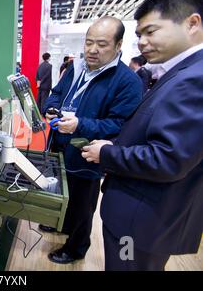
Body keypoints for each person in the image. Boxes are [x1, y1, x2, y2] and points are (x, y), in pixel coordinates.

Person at [81, 0, 203, 271]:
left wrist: (107, 153)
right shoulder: (177, 73)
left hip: (140, 220)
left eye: (151, 31)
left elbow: (168, 159)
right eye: (140, 35)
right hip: (138, 215)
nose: (143, 42)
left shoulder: (193, 79)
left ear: (192, 23)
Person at [40, 16, 143, 264]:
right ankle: (61, 224)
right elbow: (56, 94)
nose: (92, 50)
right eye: (89, 42)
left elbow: (120, 125)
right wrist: (52, 108)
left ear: (118, 45)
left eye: (102, 44)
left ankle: (76, 247)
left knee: (82, 203)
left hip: (88, 150)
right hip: (60, 142)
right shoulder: (76, 67)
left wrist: (80, 124)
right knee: (61, 189)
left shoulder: (127, 81)